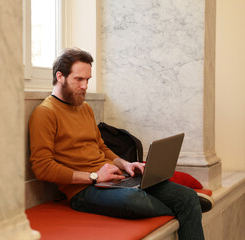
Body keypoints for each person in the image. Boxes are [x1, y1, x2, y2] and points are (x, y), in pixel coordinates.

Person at [29, 48, 205, 240]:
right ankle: (187, 207)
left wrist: (126, 165)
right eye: (79, 79)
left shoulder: (85, 108)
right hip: (83, 191)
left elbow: (102, 147)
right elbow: (42, 167)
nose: (85, 86)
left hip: (113, 180)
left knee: (187, 196)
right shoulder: (45, 113)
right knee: (137, 200)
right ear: (60, 77)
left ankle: (188, 203)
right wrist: (94, 176)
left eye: (87, 80)